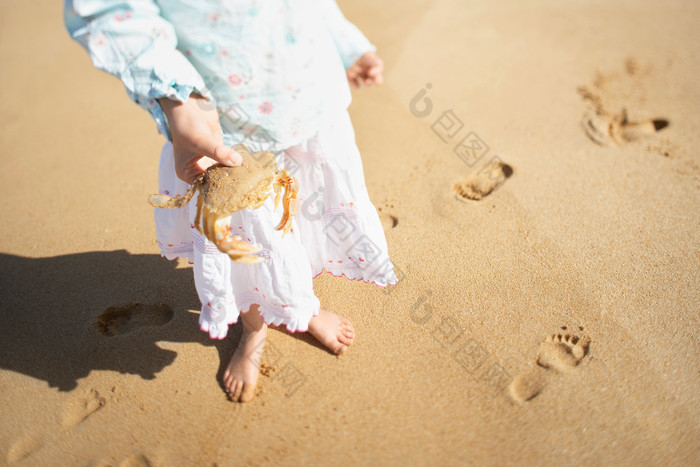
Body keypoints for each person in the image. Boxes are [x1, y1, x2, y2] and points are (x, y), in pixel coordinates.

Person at [65, 0, 398, 402]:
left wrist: (348, 45)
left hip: (309, 96)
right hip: (220, 123)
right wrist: (178, 98)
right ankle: (255, 328)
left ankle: (301, 306)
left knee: (298, 221)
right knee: (246, 242)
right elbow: (113, 11)